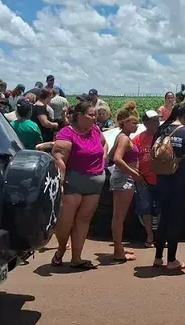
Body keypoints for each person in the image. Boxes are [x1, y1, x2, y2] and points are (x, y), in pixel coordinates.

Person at [51, 101, 107, 270]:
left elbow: (104, 144)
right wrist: (61, 178)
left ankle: (76, 258)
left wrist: (102, 160)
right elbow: (58, 156)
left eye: (94, 114)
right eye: (90, 114)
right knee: (66, 222)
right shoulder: (67, 133)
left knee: (83, 220)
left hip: (95, 183)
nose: (94, 117)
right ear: (79, 116)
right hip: (73, 183)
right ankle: (61, 249)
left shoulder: (96, 130)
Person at [153, 103, 185, 271]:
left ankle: (158, 257)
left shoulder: (162, 130)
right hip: (180, 182)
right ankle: (171, 260)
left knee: (162, 218)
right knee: (175, 221)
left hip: (161, 180)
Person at [109, 102, 142, 262]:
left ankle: (118, 247)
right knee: (119, 216)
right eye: (133, 122)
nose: (136, 125)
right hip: (124, 177)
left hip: (121, 176)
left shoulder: (121, 137)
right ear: (124, 123)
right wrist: (133, 172)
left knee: (118, 215)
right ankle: (117, 251)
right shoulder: (124, 139)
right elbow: (116, 158)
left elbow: (109, 155)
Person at [133, 110, 161, 247]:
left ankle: (161, 236)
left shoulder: (163, 137)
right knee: (145, 208)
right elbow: (133, 159)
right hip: (144, 180)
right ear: (146, 123)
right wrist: (137, 175)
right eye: (154, 121)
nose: (157, 123)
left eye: (158, 120)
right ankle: (150, 236)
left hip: (161, 180)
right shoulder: (138, 139)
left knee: (162, 209)